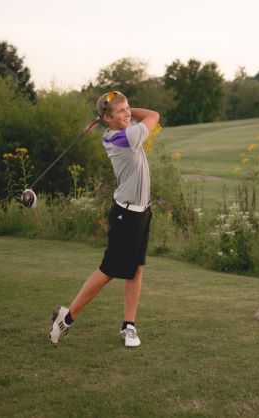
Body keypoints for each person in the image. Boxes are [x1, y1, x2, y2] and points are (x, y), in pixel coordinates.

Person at [49, 91, 160, 348]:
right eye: (120, 112)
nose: (127, 114)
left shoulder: (120, 131)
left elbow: (139, 116)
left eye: (128, 109)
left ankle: (128, 326)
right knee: (108, 270)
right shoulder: (126, 137)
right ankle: (66, 318)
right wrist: (132, 113)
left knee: (136, 268)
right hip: (125, 215)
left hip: (141, 211)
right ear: (107, 119)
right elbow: (154, 115)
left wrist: (125, 109)